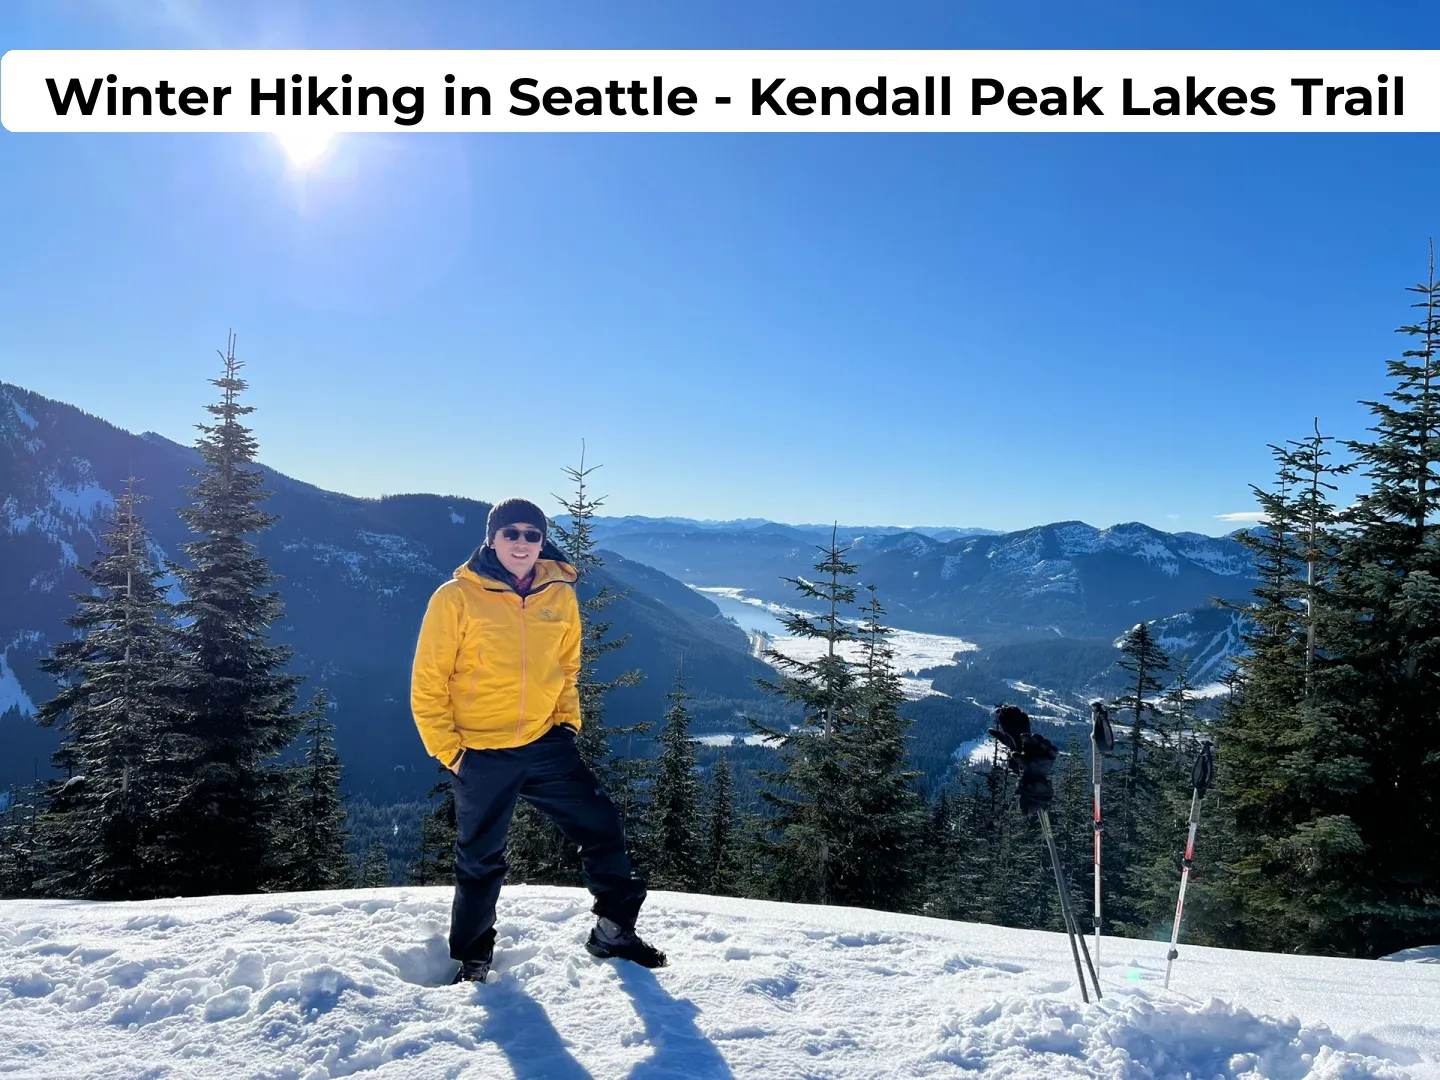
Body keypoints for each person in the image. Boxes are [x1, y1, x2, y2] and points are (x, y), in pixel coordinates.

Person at [410, 497, 666, 983]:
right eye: (512, 533)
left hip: (546, 742)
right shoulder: (456, 597)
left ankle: (613, 932)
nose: (522, 543)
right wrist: (452, 754)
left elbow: (568, 666)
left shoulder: (558, 593)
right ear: (491, 540)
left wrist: (567, 725)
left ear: (542, 540)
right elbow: (428, 681)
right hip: (480, 750)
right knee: (480, 861)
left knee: (602, 826)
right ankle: (474, 957)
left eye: (532, 534)